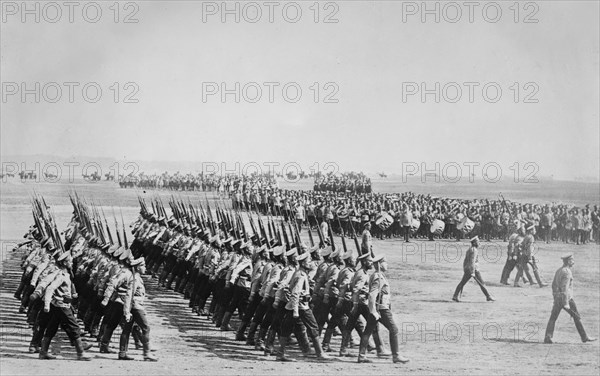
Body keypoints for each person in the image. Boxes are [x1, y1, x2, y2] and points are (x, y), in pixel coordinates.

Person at [357, 254, 409, 364]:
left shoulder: (378, 275)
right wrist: (374, 311)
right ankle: (396, 355)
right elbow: (372, 295)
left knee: (368, 331)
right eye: (385, 262)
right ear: (380, 264)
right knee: (394, 329)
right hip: (381, 309)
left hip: (378, 308)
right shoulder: (378, 277)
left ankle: (361, 356)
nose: (387, 264)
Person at [544, 254, 596, 344]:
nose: (573, 262)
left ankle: (547, 337)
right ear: (568, 261)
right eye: (572, 260)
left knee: (553, 318)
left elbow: (553, 285)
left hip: (558, 298)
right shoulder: (567, 272)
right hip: (567, 298)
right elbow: (565, 287)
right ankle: (584, 337)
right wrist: (566, 302)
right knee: (577, 317)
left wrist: (555, 296)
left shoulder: (559, 270)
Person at [119, 257, 158, 361]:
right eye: (143, 266)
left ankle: (122, 353)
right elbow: (129, 294)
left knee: (127, 330)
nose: (145, 268)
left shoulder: (137, 277)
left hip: (133, 306)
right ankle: (147, 353)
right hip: (136, 307)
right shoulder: (135, 279)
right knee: (146, 328)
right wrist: (126, 311)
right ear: (137, 267)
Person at [452, 236, 495, 302]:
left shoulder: (470, 249)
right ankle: (488, 296)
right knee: (482, 283)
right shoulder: (474, 250)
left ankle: (455, 296)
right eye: (478, 241)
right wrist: (472, 272)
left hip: (468, 269)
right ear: (474, 243)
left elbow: (466, 261)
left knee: (462, 283)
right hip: (474, 269)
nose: (479, 243)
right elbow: (472, 261)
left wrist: (466, 269)